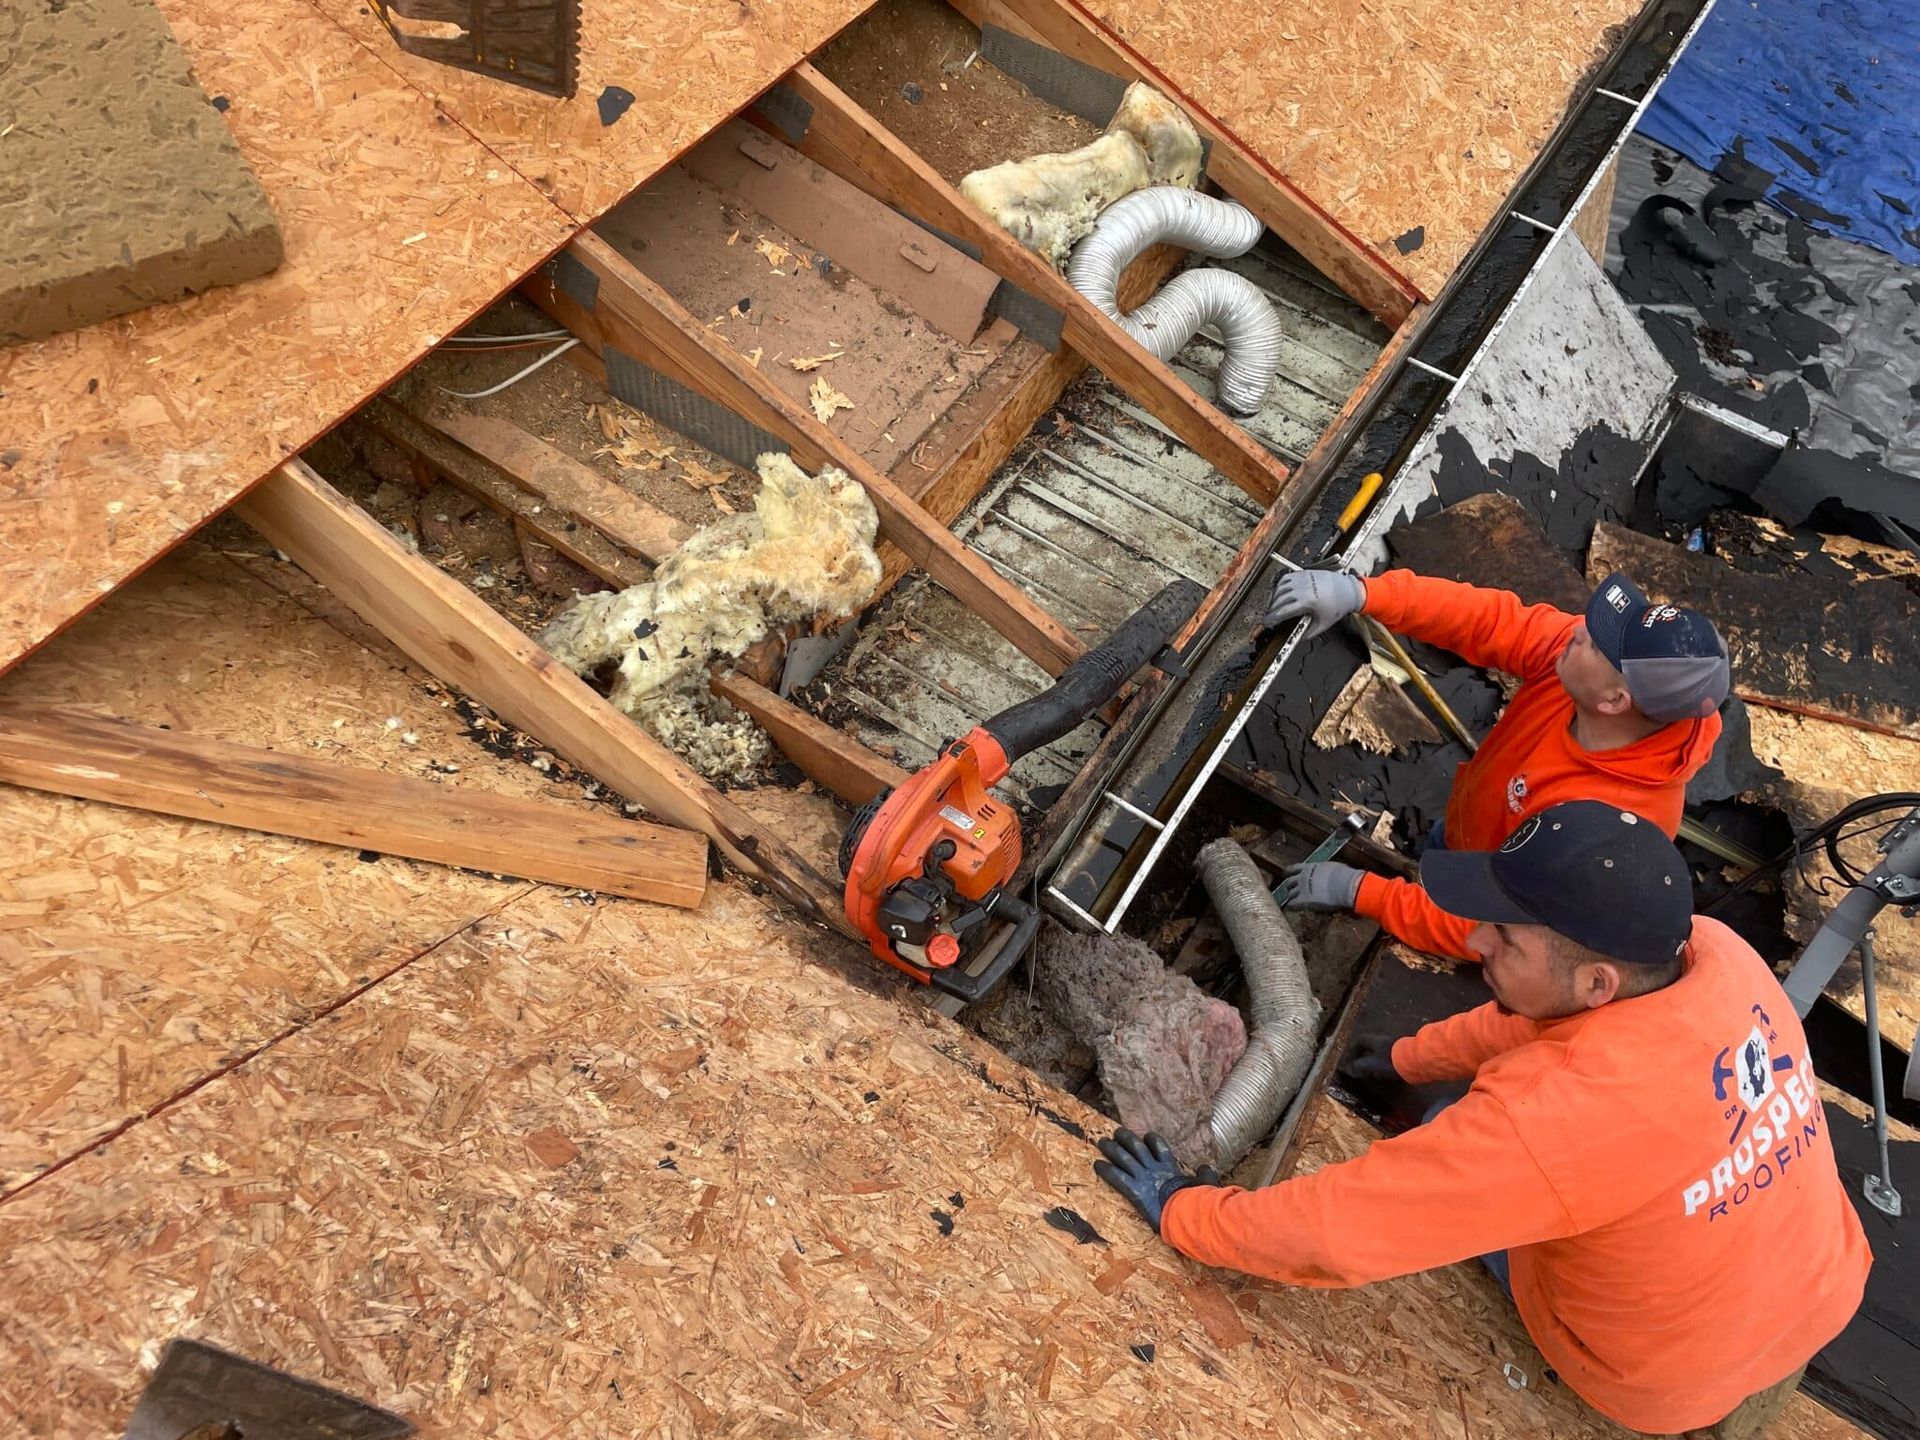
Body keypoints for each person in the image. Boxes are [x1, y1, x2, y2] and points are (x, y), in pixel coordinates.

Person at [1094, 802, 1870, 1438]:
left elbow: (1337, 1233)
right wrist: (1408, 1059)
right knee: (1474, 1113)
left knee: (1473, 1146)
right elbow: (1539, 1026)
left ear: (1598, 980)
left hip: (1658, 1379)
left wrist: (1185, 1212)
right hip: (1818, 1278)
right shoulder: (1710, 955)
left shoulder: (1556, 1122)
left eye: (1505, 937)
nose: (1473, 939)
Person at [1263, 566, 1731, 961]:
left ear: (1614, 701)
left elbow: (1491, 929)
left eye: (1597, 643)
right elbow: (1487, 620)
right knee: (1438, 852)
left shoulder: (1602, 832)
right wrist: (1365, 593)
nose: (1577, 630)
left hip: (1488, 899)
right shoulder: (1579, 664)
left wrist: (1363, 894)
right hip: (1465, 832)